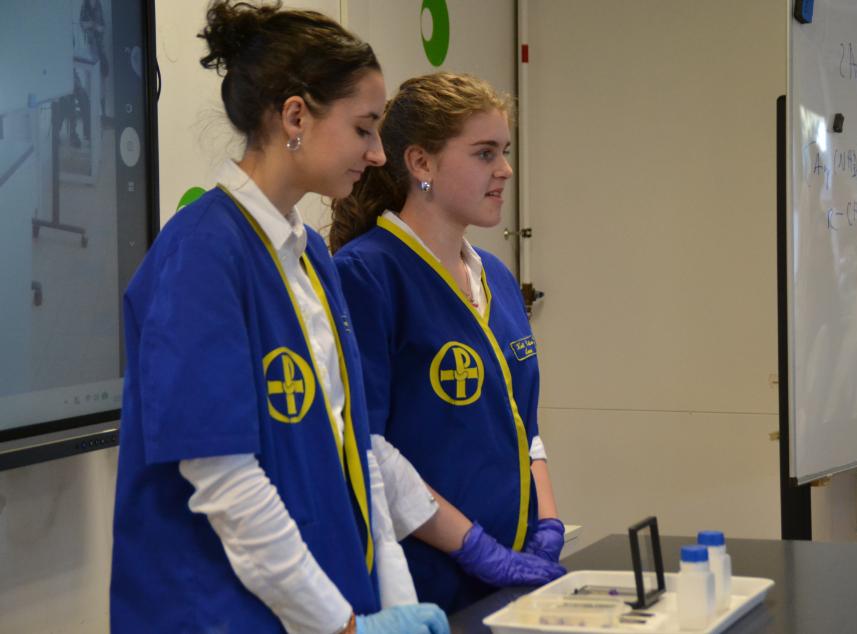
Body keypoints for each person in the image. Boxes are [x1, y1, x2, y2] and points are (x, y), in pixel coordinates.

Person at [110, 3, 450, 632]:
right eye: (364, 129)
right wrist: (346, 626)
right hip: (223, 616)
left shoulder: (311, 257)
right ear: (295, 116)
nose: (379, 154)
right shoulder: (202, 256)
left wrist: (395, 603)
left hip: (327, 610)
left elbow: (356, 457)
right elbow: (228, 486)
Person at [331, 72, 566, 612]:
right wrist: (473, 547)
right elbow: (367, 449)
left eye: (505, 152)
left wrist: (548, 522)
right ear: (421, 163)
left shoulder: (495, 277)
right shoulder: (367, 275)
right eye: (485, 153)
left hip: (513, 574)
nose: (505, 170)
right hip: (429, 583)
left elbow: (522, 425)